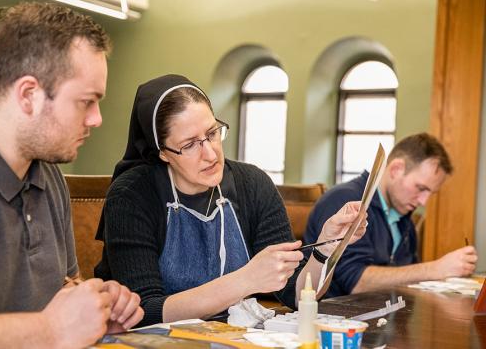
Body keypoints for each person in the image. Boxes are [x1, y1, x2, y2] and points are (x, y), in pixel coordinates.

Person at [0, 2, 143, 348]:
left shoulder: (48, 176)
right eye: (86, 101)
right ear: (29, 95)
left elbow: (64, 288)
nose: (96, 119)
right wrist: (48, 330)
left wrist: (94, 307)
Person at [94, 74, 367, 326]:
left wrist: (326, 250)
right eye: (190, 145)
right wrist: (245, 280)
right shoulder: (132, 194)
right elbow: (146, 312)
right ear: (162, 153)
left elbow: (296, 296)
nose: (211, 154)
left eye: (212, 134)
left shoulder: (252, 184)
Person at [304, 133, 478, 298]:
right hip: (336, 321)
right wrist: (436, 269)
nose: (424, 202)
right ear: (396, 169)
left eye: (430, 193)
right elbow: (356, 282)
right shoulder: (345, 201)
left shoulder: (404, 218)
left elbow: (407, 277)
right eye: (421, 188)